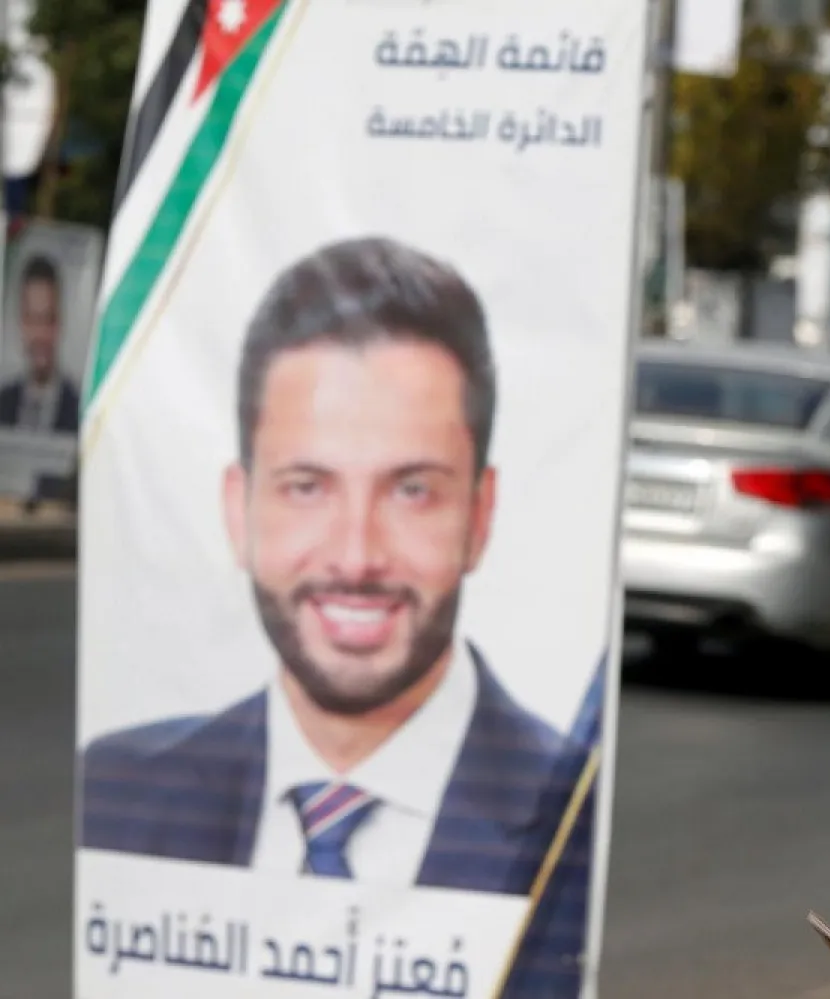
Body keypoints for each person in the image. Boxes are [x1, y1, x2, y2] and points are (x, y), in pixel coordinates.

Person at [79, 236, 592, 901]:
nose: (356, 556)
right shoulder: (123, 792)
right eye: (307, 486)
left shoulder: (576, 822)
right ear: (239, 510)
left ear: (480, 515)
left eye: (412, 489)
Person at [0, 254, 80, 434]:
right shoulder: (2, 403)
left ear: (59, 323)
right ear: (21, 323)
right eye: (33, 320)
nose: (41, 334)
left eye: (48, 320)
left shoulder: (80, 410)